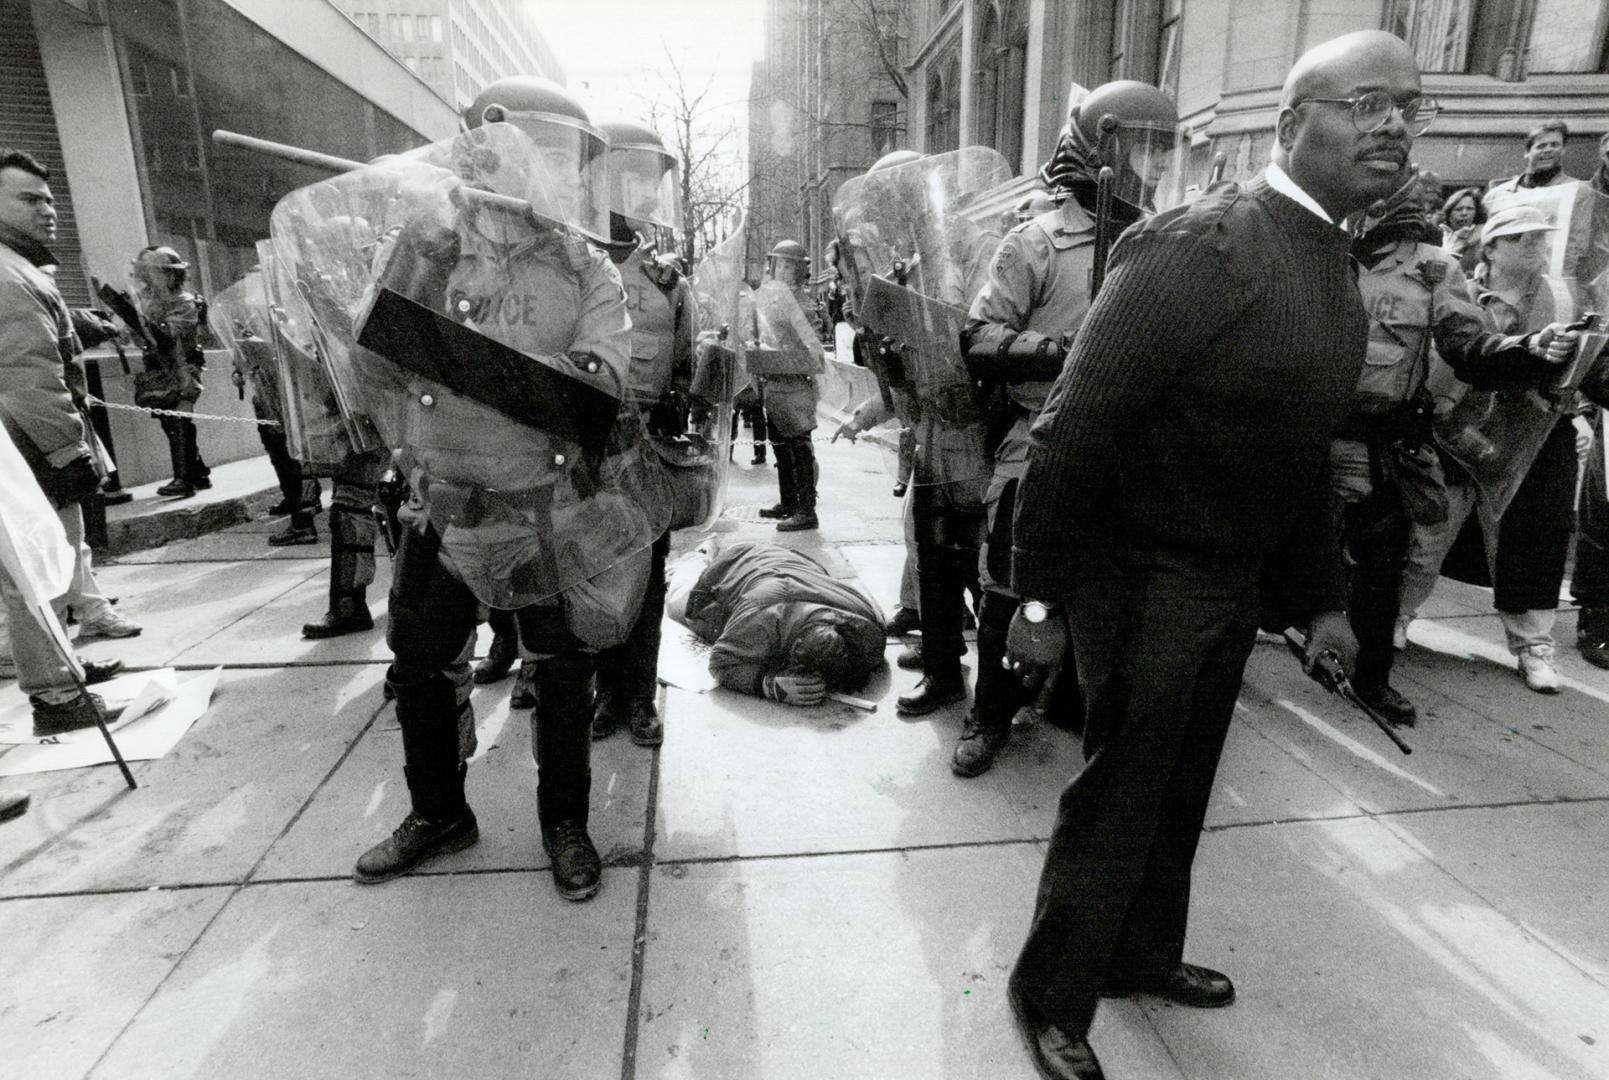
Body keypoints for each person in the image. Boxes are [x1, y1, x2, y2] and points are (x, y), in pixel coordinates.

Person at [998, 32, 1425, 1080]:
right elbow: (1074, 430)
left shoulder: (1330, 255)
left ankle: (1139, 954)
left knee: (1182, 784)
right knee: (1121, 790)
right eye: (1364, 104)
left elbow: (1295, 449)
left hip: (1224, 580)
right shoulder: (1203, 245)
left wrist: (1319, 600)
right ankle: (1050, 995)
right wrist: (1038, 599)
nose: (1393, 125)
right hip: (1138, 577)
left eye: (1406, 108)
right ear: (1290, 123)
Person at [341, 77, 662, 903]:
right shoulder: (429, 247)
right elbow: (373, 361)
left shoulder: (586, 266)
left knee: (561, 670)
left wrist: (455, 366)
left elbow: (593, 389)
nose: (554, 170)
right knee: (420, 667)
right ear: (485, 147)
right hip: (439, 502)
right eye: (542, 149)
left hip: (541, 505)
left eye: (568, 158)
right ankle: (438, 813)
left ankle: (565, 823)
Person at [954, 79, 1181, 776]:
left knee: (1116, 588)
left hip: (1136, 448)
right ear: (1099, 148)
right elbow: (977, 337)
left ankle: (1079, 704)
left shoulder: (1170, 241)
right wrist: (1061, 352)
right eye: (1136, 147)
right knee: (1012, 585)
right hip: (1044, 435)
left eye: (1159, 150)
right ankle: (988, 714)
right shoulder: (1037, 243)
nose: (1149, 164)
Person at [1336, 185, 1581, 724]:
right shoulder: (1317, 251)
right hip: (1308, 428)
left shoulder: (1434, 270)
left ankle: (1370, 679)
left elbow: (1469, 347)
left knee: (1386, 559)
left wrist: (1529, 349)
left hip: (1387, 438)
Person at [1399, 205, 1601, 693]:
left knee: (1534, 540)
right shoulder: (1455, 289)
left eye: (1540, 238)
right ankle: (1397, 616)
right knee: (1429, 528)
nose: (1535, 246)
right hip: (1455, 430)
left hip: (1537, 435)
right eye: (1522, 237)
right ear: (1490, 246)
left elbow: (1594, 361)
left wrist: (1586, 405)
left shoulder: (1566, 295)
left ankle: (1533, 646)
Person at [0, 150, 132, 733]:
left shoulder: (20, 267)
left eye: (49, 198)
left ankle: (63, 673)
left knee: (52, 567)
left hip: (31, 446)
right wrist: (68, 453)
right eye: (29, 199)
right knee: (43, 573)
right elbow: (30, 376)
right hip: (34, 448)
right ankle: (57, 698)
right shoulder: (7, 274)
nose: (48, 210)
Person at [587, 117, 697, 747]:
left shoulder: (668, 280)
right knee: (600, 574)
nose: (651, 194)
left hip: (648, 450)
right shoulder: (572, 261)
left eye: (657, 181)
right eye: (640, 178)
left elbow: (687, 368)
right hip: (584, 449)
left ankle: (641, 697)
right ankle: (607, 693)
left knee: (650, 576)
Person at [668, 539, 884, 703]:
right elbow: (721, 662)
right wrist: (768, 685)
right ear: (791, 645)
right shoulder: (761, 615)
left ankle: (708, 550)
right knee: (677, 604)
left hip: (791, 561)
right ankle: (699, 555)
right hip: (733, 564)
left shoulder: (870, 629)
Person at [754, 239, 825, 532]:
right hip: (774, 381)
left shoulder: (804, 303)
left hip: (796, 384)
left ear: (799, 270)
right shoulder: (770, 297)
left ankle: (807, 510)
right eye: (780, 264)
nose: (783, 271)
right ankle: (788, 502)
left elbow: (812, 345)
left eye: (789, 265)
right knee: (780, 446)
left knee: (799, 446)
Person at [129, 245, 211, 498]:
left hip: (183, 368)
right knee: (169, 420)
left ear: (171, 275)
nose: (147, 279)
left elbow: (168, 334)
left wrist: (141, 320)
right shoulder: (149, 300)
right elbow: (141, 339)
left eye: (154, 274)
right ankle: (197, 472)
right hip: (159, 367)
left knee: (179, 420)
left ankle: (183, 479)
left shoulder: (185, 302)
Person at [1484, 119, 1579, 215]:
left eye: (1554, 145)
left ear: (1563, 150)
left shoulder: (1577, 191)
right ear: (1527, 152)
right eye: (1541, 146)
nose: (1548, 150)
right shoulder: (1498, 194)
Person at [1438, 185, 1487, 273]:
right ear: (1449, 213)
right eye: (1458, 209)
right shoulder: (1438, 234)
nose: (1464, 213)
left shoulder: (1482, 238)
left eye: (1470, 209)